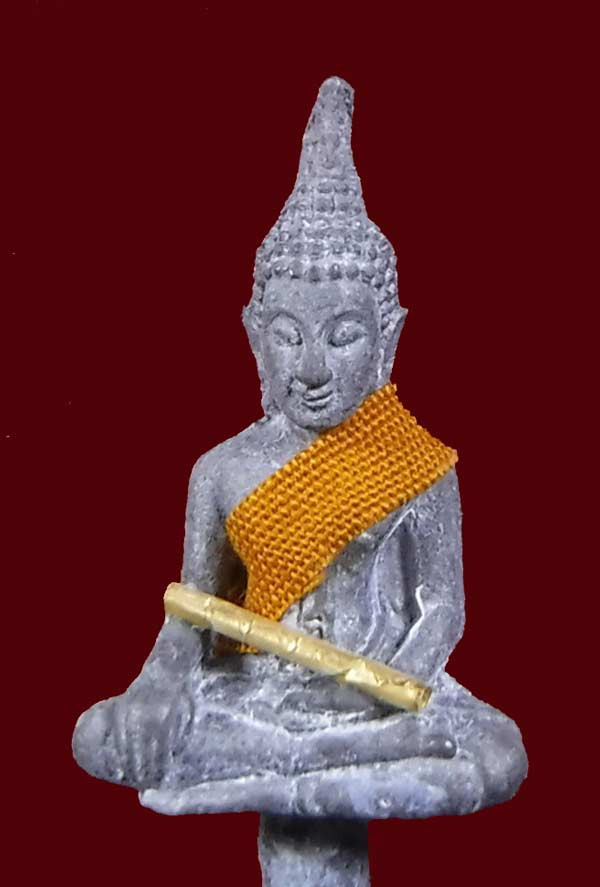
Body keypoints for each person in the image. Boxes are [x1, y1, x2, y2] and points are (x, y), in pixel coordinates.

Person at [73, 78, 526, 810]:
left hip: (377, 698)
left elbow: (443, 610)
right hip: (254, 693)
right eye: (289, 336)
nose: (312, 368)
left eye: (342, 336)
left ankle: (273, 776)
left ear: (388, 339)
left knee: (499, 752)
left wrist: (377, 692)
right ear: (255, 336)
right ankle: (316, 773)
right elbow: (192, 611)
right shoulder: (222, 470)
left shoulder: (416, 466)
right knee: (101, 733)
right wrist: (156, 685)